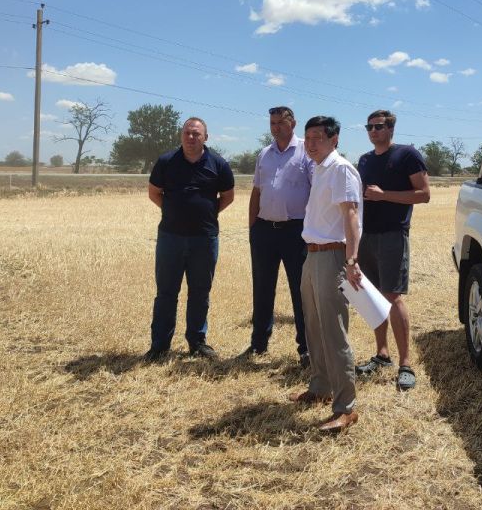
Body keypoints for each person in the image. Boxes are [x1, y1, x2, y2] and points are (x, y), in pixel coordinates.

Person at [288, 116, 363, 432]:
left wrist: (352, 260)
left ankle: (346, 407)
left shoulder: (341, 169)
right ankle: (320, 386)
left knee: (333, 330)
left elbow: (351, 216)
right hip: (313, 254)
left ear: (335, 139)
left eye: (318, 137)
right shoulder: (319, 169)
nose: (311, 143)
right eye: (307, 137)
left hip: (333, 255)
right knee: (314, 326)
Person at [145, 117, 234, 361]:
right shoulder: (166, 162)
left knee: (200, 292)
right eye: (187, 133)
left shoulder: (218, 163)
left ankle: (197, 342)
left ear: (206, 137)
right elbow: (154, 192)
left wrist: (207, 212)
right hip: (170, 238)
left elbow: (228, 196)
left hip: (204, 240)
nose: (191, 137)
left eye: (196, 134)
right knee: (165, 293)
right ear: (181, 135)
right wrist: (174, 212)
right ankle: (159, 346)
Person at [354, 110, 429, 391]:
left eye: (378, 126)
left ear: (391, 129)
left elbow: (424, 194)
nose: (373, 131)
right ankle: (382, 354)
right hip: (366, 236)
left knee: (393, 296)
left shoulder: (407, 154)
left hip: (392, 234)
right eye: (369, 126)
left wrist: (384, 195)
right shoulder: (364, 160)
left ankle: (405, 363)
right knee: (373, 297)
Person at [244, 106, 315, 366]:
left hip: (295, 232)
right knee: (262, 288)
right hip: (264, 230)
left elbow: (316, 192)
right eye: (272, 123)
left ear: (293, 123)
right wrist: (253, 228)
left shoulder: (306, 152)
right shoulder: (264, 153)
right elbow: (256, 192)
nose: (275, 127)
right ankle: (258, 344)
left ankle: (305, 348)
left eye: (280, 123)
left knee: (301, 290)